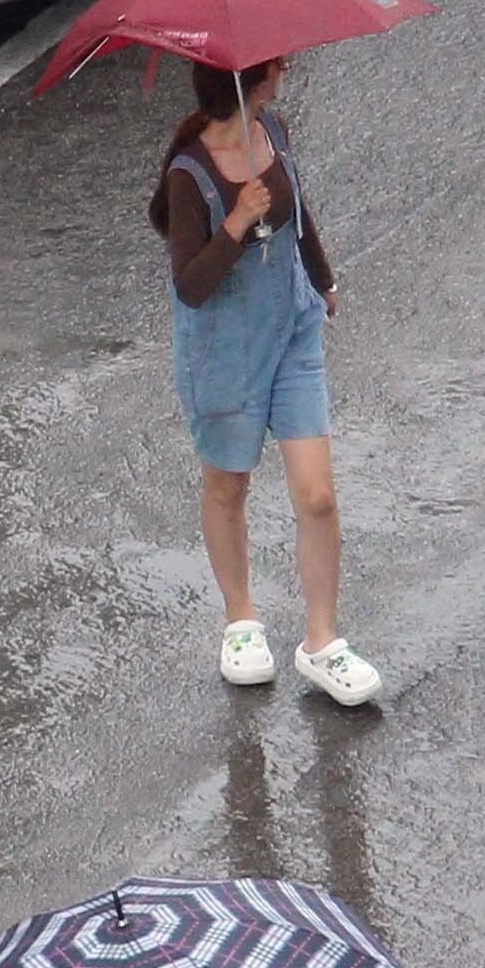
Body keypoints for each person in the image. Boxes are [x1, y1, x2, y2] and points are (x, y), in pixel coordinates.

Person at [160, 59, 380, 707]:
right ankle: (241, 623)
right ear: (247, 81)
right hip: (224, 350)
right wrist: (234, 223)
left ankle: (322, 642)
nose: (285, 67)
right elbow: (191, 287)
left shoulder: (274, 131)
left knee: (317, 496)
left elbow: (299, 214)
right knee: (229, 484)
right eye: (274, 64)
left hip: (291, 332)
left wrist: (322, 279)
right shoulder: (189, 175)